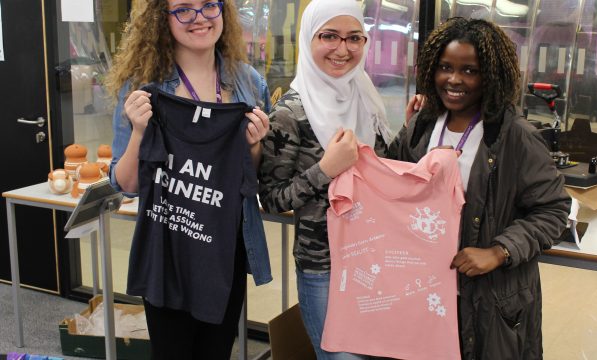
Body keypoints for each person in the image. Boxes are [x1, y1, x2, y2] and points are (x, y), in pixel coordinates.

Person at [392, 17, 571, 359]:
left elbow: (554, 210)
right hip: (429, 290)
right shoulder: (422, 124)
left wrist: (499, 251)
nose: (454, 79)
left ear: (491, 75)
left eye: (469, 71)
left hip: (491, 300)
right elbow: (398, 184)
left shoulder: (516, 136)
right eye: (445, 67)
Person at [105, 0, 272, 358]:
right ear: (162, 18)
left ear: (223, 11)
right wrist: (138, 132)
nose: (199, 18)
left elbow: (252, 179)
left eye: (209, 5)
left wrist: (254, 148)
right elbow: (127, 185)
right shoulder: (143, 87)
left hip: (225, 248)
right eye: (183, 9)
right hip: (169, 249)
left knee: (216, 352)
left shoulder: (248, 83)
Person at [257, 0, 397, 358]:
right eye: (329, 36)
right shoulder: (290, 111)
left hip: (377, 258)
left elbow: (384, 171)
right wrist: (326, 170)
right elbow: (272, 199)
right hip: (325, 267)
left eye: (354, 38)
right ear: (309, 39)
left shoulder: (365, 96)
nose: (343, 49)